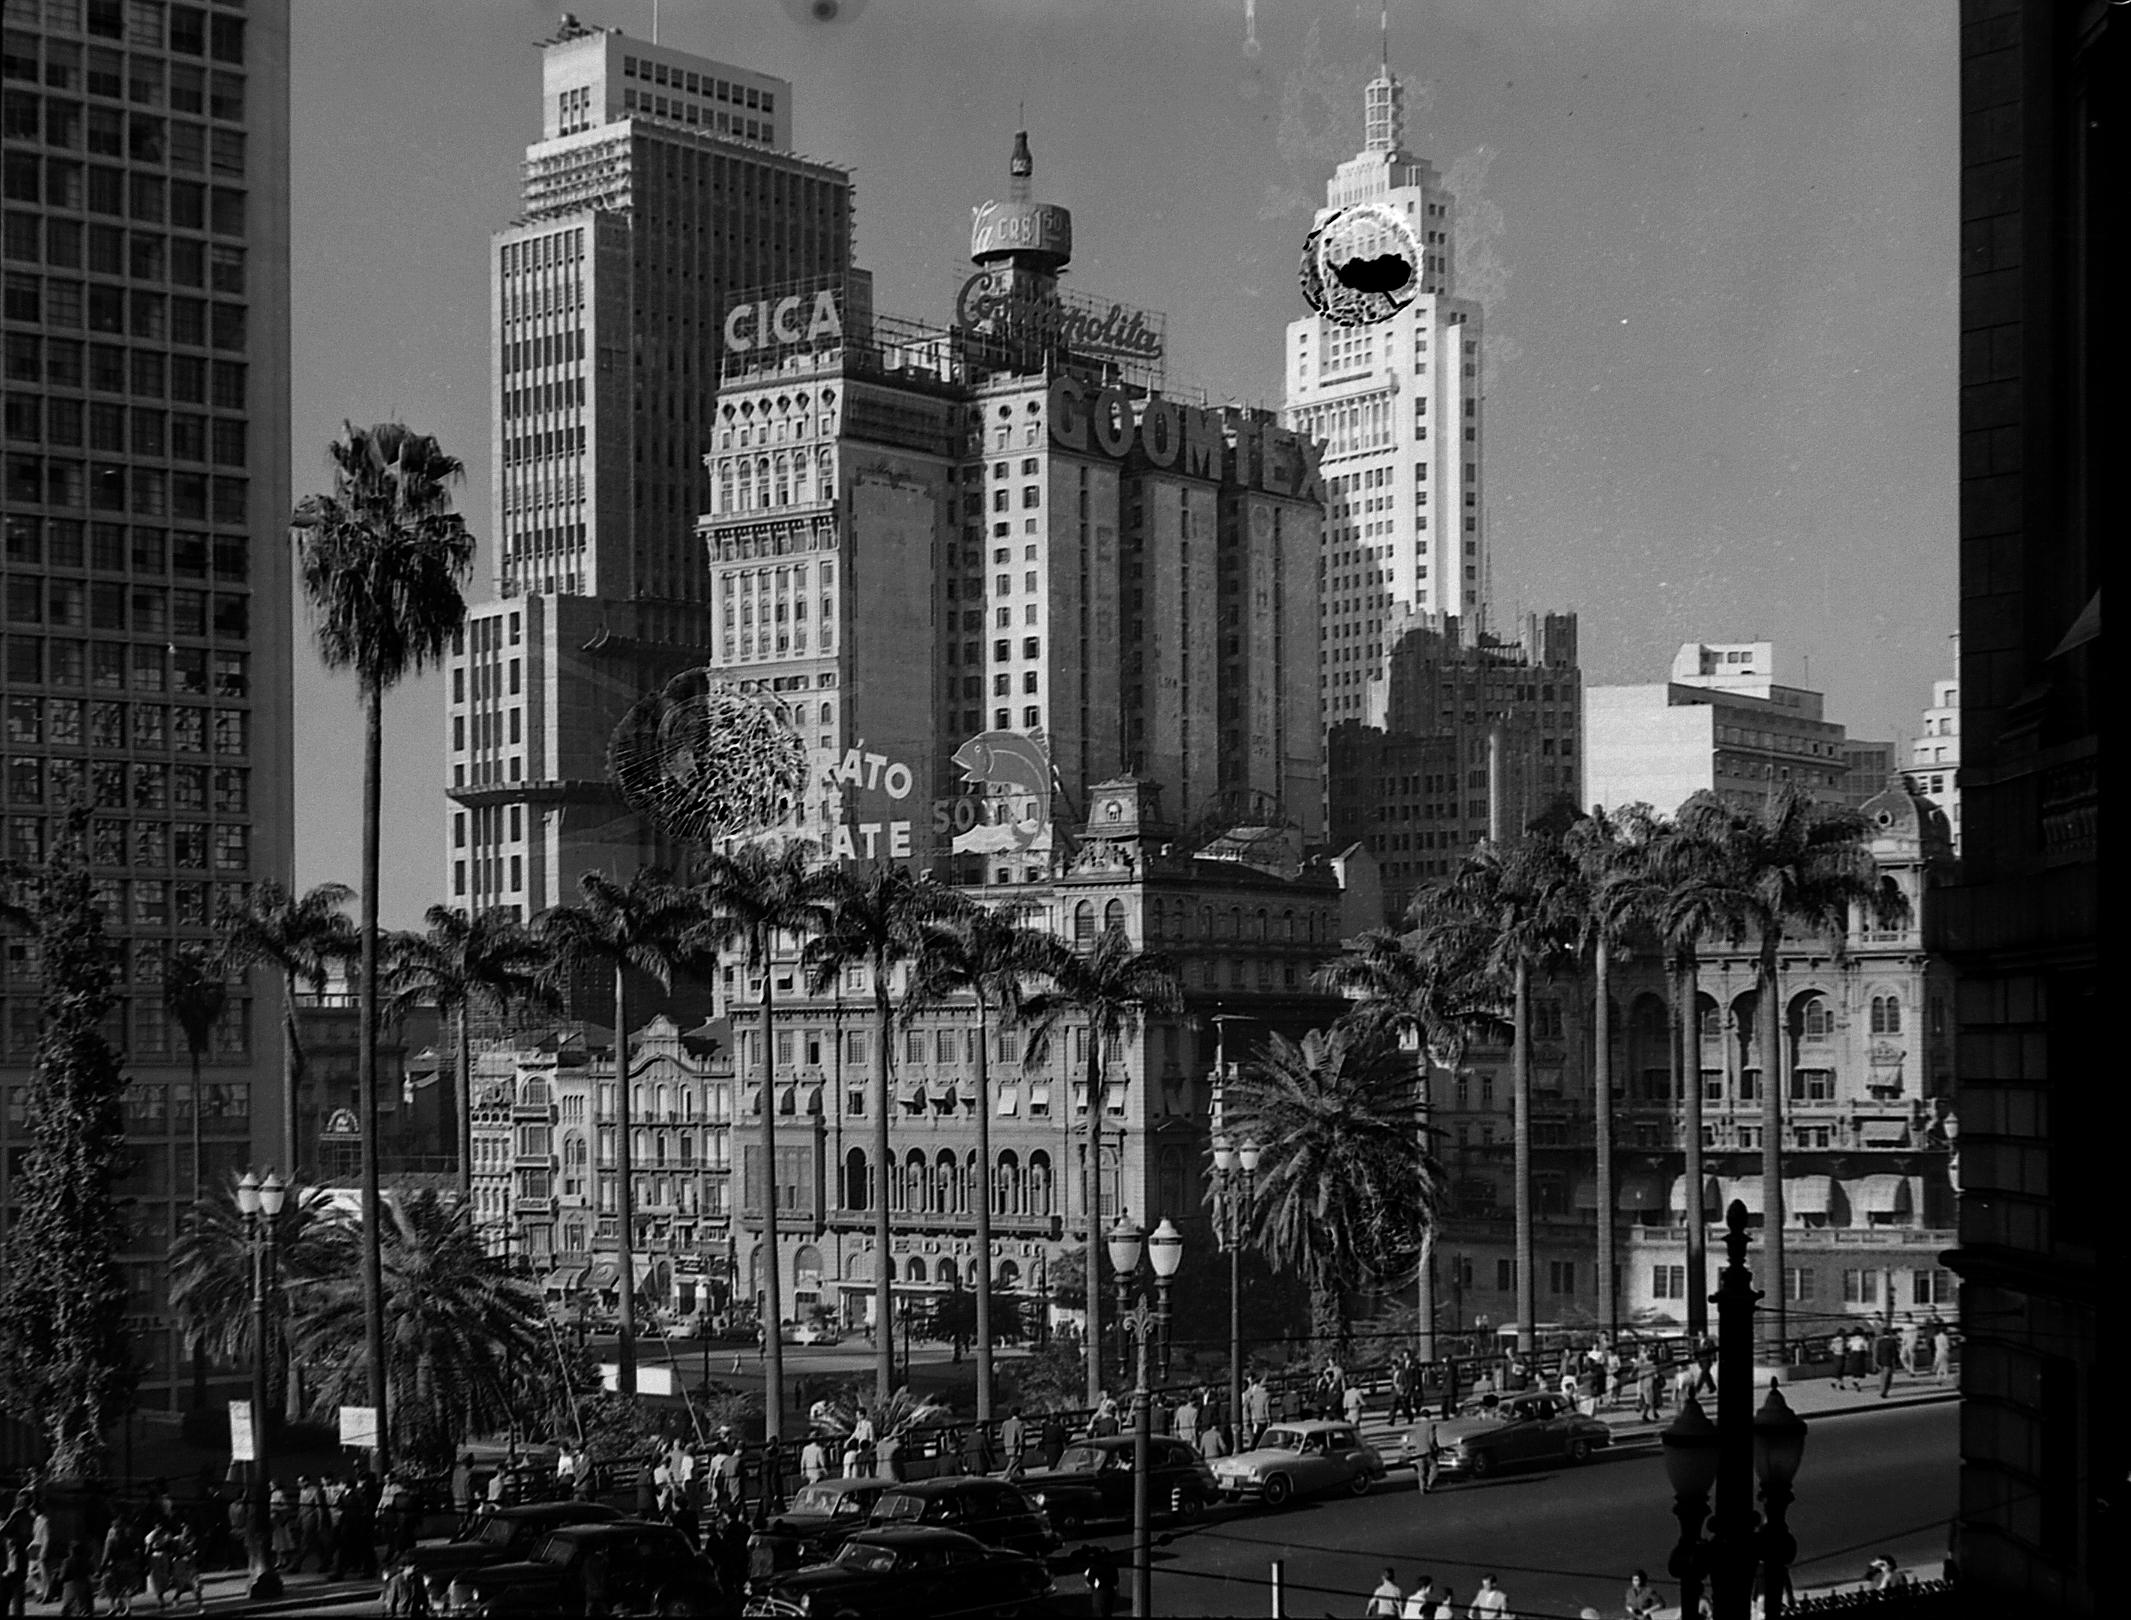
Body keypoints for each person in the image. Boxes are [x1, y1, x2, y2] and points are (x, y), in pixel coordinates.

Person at [1414, 1413, 1441, 1494]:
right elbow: (1432, 1439)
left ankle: (1421, 1487)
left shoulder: (1417, 1427)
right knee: (1434, 1467)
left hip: (1419, 1451)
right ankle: (1429, 1485)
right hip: (1428, 1451)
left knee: (1421, 1471)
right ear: (1429, 1416)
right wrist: (1435, 1448)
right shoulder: (1431, 1425)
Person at [1875, 1325, 1899, 1398]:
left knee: (1882, 1377)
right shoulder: (1892, 1341)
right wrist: (1897, 1360)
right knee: (1888, 1378)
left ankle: (1882, 1390)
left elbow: (1878, 1352)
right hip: (1889, 1361)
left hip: (1881, 1361)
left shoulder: (1880, 1341)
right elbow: (1894, 1352)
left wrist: (1877, 1361)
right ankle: (1884, 1392)